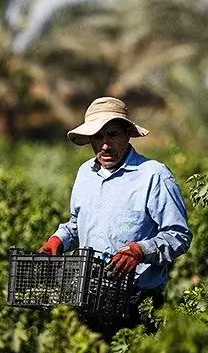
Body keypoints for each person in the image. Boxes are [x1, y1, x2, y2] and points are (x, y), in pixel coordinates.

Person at [37, 96, 192, 335]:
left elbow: (178, 235)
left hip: (138, 301)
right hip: (88, 296)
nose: (105, 145)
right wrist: (58, 240)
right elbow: (78, 225)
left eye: (112, 135)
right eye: (98, 137)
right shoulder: (85, 173)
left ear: (127, 134)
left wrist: (140, 251)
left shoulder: (153, 175)